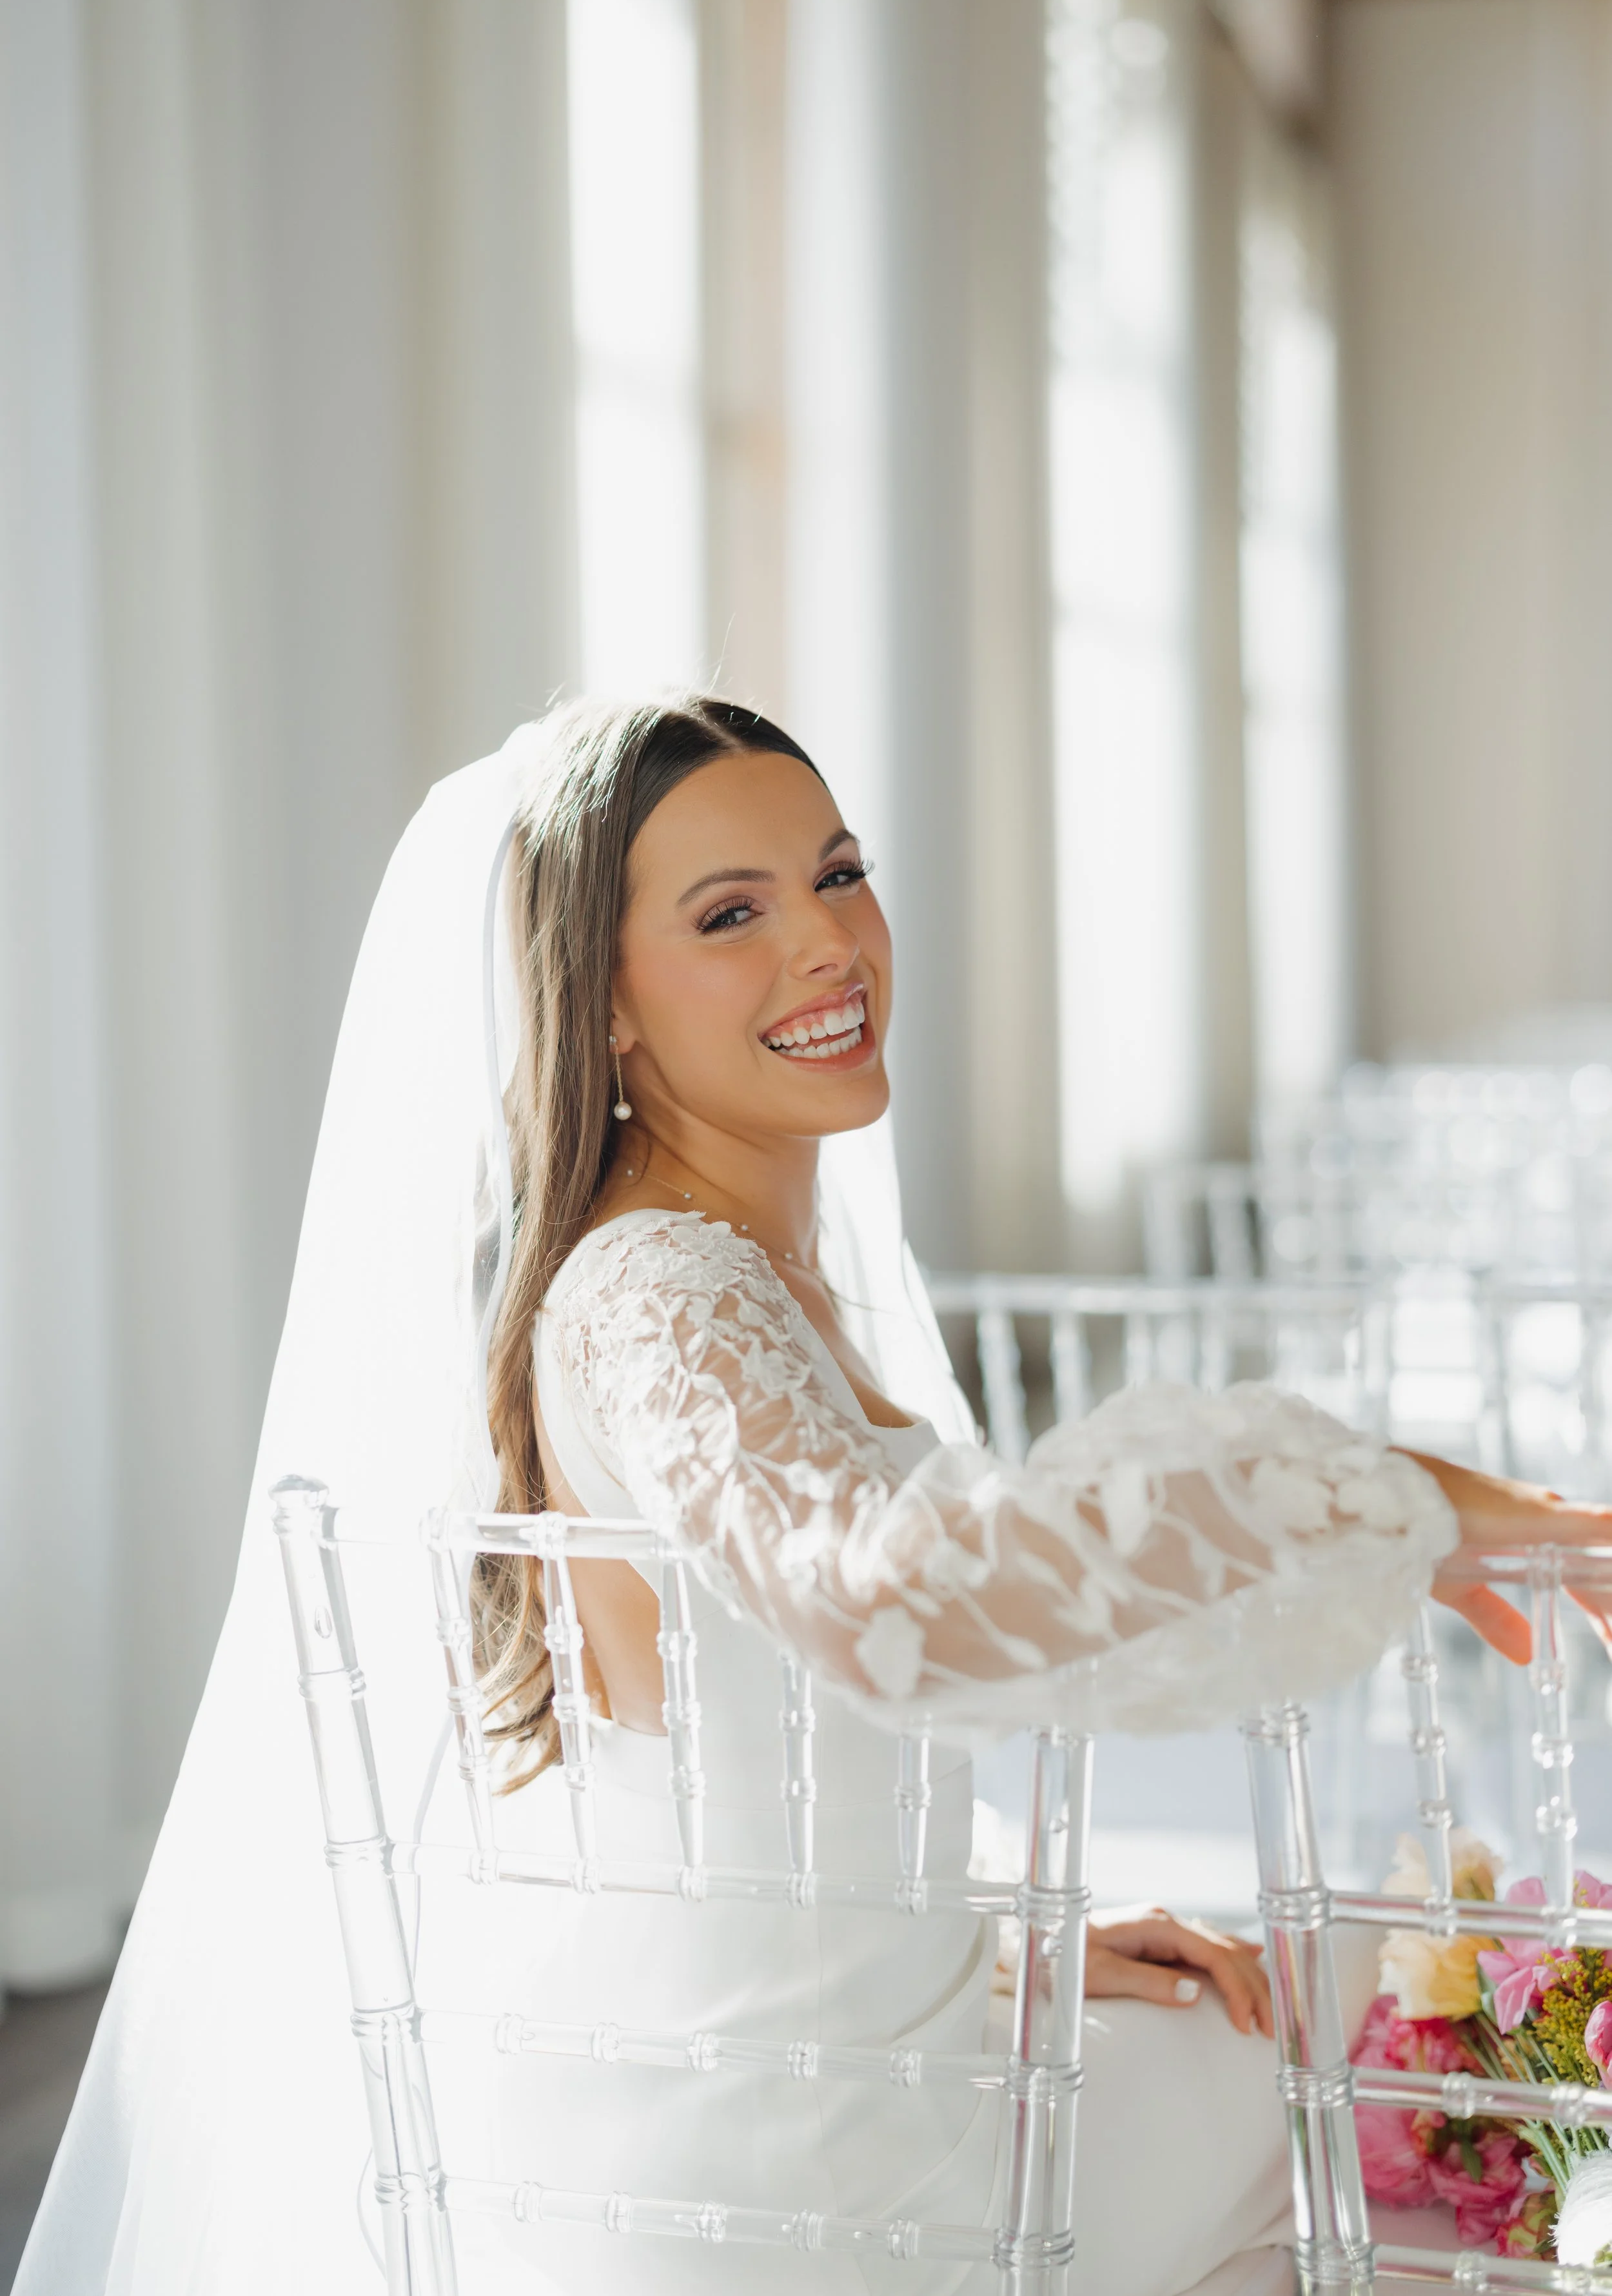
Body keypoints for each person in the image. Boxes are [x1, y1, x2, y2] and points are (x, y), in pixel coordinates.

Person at [19, 697, 1611, 2296]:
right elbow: (897, 1606)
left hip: (827, 2088)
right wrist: (1374, 1490)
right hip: (829, 2188)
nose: (828, 943)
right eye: (730, 914)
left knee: (1339, 1992)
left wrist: (1002, 1930)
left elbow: (760, 1764)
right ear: (604, 1006)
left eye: (836, 873)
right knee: (1390, 2017)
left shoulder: (740, 1279)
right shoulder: (657, 1289)